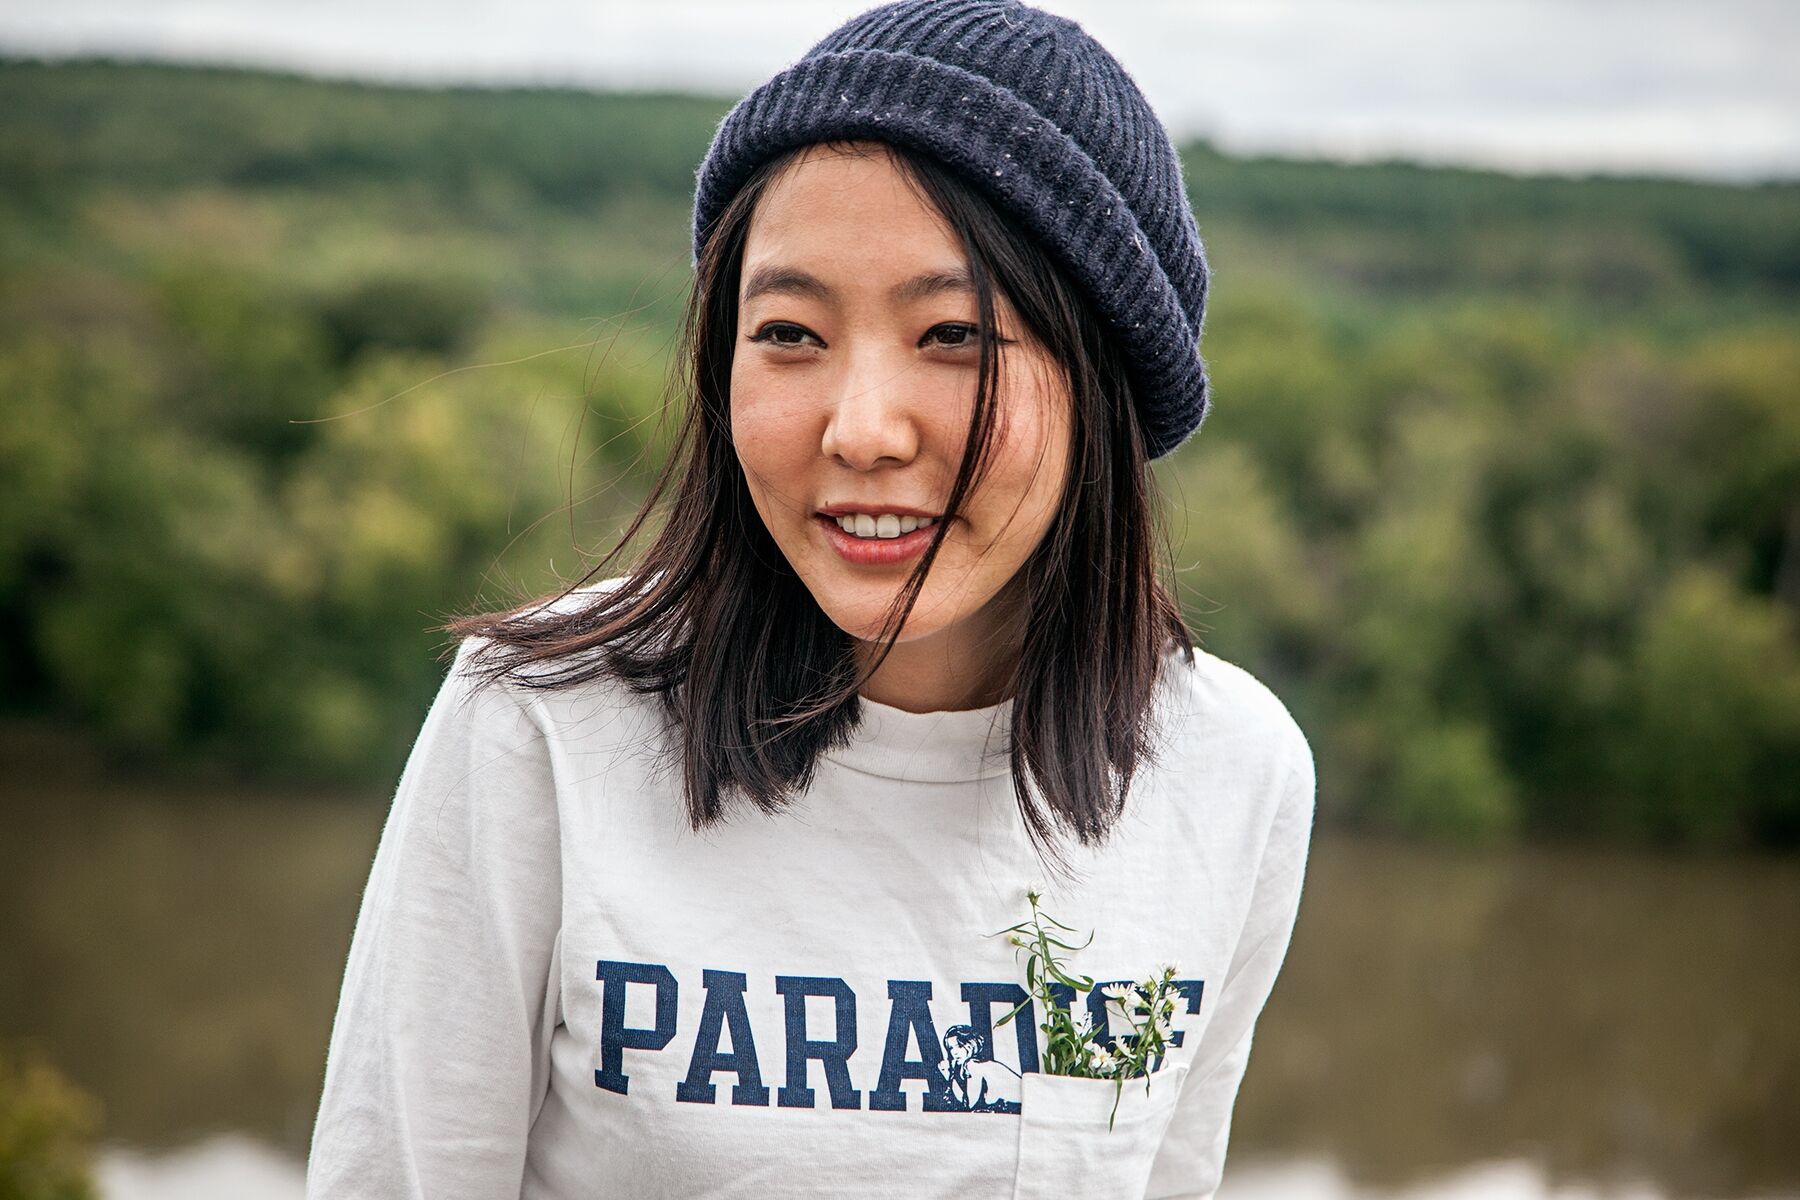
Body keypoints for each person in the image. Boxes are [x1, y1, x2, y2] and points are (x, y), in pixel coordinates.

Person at [305, 2, 1316, 1197]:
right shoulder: (541, 727)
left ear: (1104, 386)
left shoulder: (1229, 769)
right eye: (789, 332)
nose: (861, 430)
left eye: (953, 334)